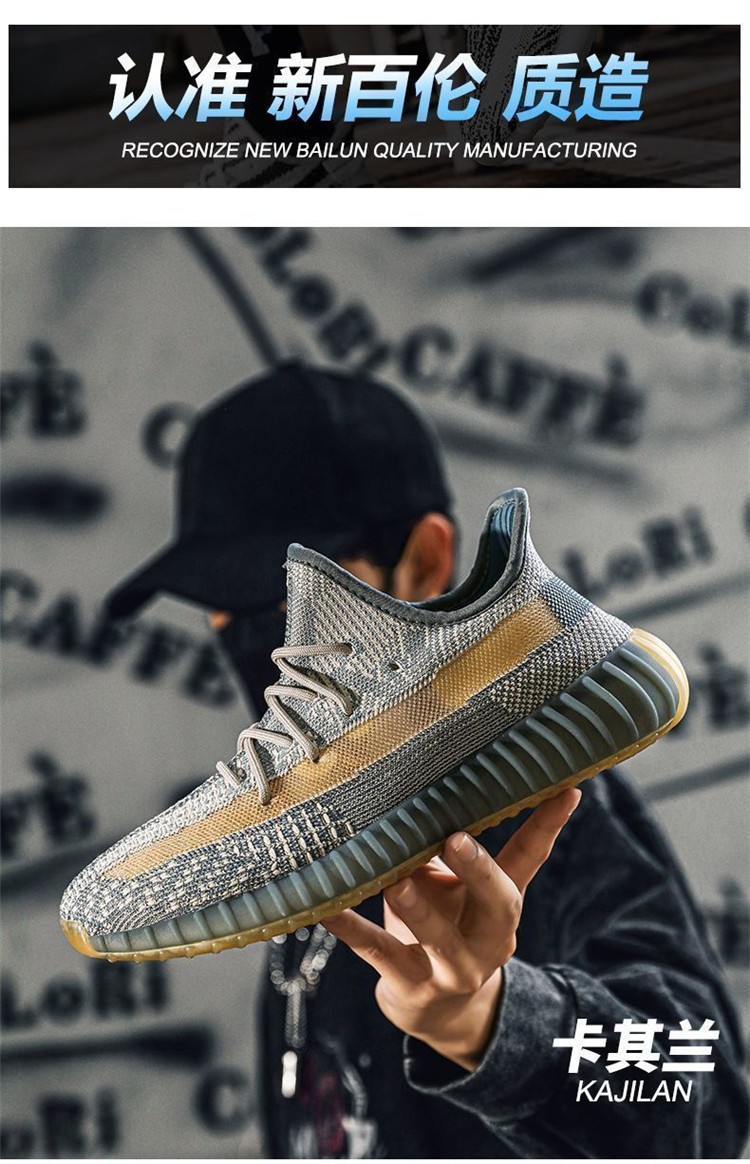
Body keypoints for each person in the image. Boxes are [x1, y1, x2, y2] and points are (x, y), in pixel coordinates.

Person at [105, 361, 749, 1158]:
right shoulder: (316, 818)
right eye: (215, 601)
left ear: (423, 562)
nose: (240, 629)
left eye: (275, 595)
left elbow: (701, 1098)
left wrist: (488, 1022)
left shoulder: (536, 800)